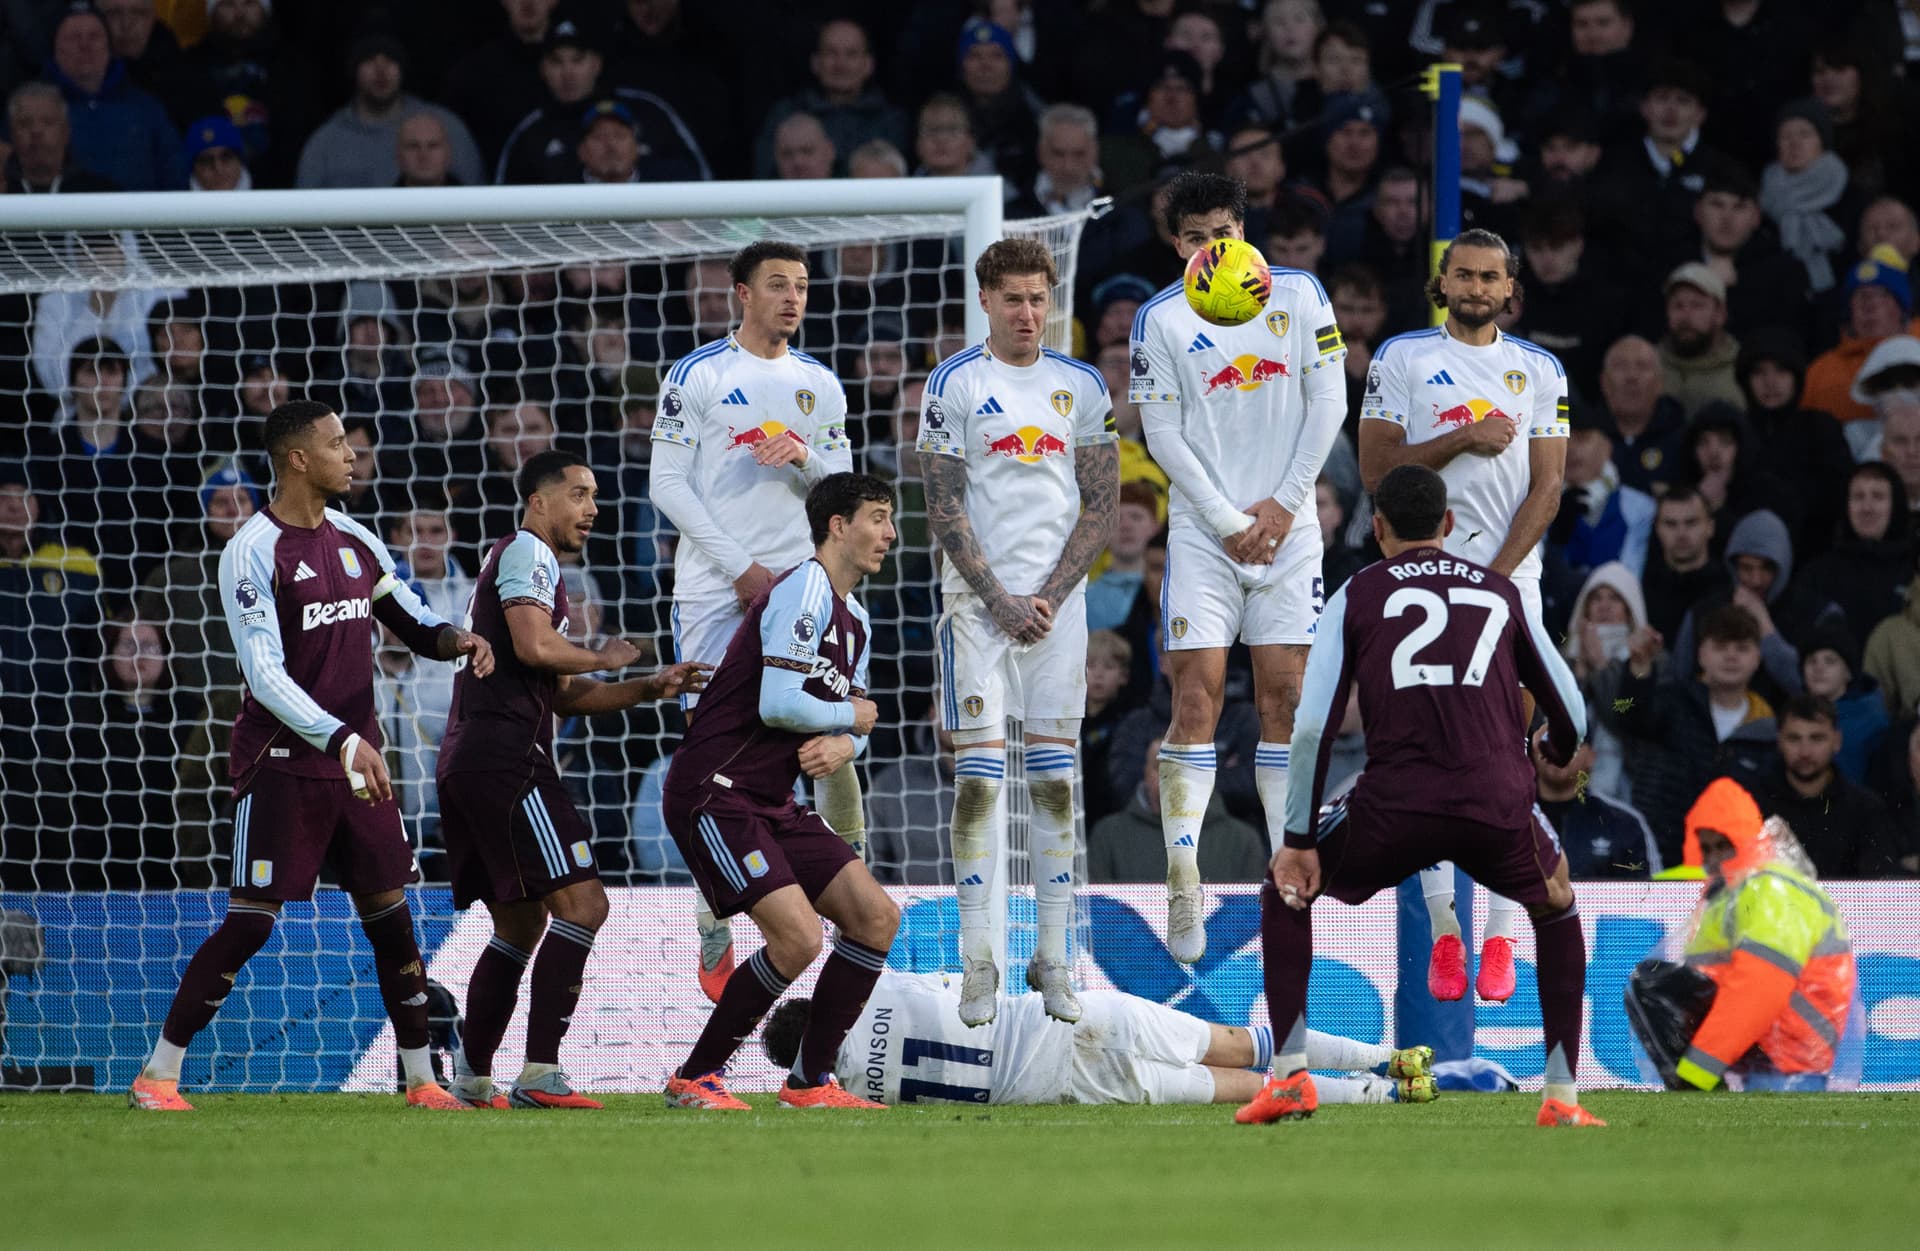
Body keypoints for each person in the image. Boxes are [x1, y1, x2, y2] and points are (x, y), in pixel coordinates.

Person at [128, 401, 495, 1112]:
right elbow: (265, 675)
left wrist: (460, 639)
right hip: (284, 764)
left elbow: (411, 620)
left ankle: (422, 1079)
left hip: (356, 767)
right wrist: (344, 737)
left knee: (392, 919)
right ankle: (159, 1071)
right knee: (250, 921)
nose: (350, 454)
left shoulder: (356, 540)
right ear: (297, 458)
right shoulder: (251, 550)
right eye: (335, 444)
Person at [1245, 463, 1601, 1128]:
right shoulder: (1499, 592)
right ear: (1448, 525)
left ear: (1378, 528)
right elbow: (1572, 712)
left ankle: (1291, 1077)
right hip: (1496, 804)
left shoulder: (1357, 593)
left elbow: (1315, 725)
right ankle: (1561, 1097)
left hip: (1396, 805)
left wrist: (1297, 841)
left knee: (1284, 888)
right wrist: (1552, 748)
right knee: (1556, 901)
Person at [438, 450, 706, 1110]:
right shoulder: (529, 552)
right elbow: (535, 648)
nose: (592, 508)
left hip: (472, 758)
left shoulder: (522, 564)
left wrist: (643, 684)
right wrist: (606, 651)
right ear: (540, 501)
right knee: (585, 906)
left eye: (595, 496)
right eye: (580, 494)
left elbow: (561, 690)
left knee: (520, 923)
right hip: (508, 758)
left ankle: (472, 1076)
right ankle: (540, 1072)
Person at [1127, 171, 1348, 964]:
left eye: (1222, 231)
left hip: (1287, 530)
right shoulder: (1158, 317)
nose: (1210, 248)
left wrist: (1285, 507)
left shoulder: (1299, 296)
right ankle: (1182, 872)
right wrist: (1227, 522)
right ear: (1174, 243)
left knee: (1285, 700)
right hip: (1202, 536)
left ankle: (1286, 859)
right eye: (1193, 237)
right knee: (1197, 698)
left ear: (1243, 228)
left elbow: (1330, 403)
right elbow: (1163, 434)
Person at [1357, 227, 1570, 1005]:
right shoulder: (1401, 360)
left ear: (1511, 287)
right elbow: (1378, 472)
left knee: (1508, 750)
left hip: (1511, 582)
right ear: (1441, 282)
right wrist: (1463, 436)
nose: (1477, 288)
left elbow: (1547, 488)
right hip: (1419, 581)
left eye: (1491, 277)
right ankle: (1447, 928)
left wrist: (1498, 582)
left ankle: (1503, 936)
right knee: (1424, 748)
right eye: (1464, 275)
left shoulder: (1540, 369)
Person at [648, 241, 858, 1002]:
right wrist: (739, 566)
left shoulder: (819, 385)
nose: (792, 298)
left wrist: (805, 457)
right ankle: (713, 908)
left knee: (814, 735)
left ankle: (835, 875)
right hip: (714, 583)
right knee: (713, 745)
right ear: (741, 292)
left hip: (801, 586)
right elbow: (665, 483)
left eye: (801, 286)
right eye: (777, 285)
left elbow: (846, 493)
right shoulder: (699, 373)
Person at [919, 238, 1117, 1025]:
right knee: (978, 782)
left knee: (1055, 783)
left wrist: (1050, 594)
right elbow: (942, 504)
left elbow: (1101, 502)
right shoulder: (955, 383)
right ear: (987, 302)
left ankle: (1056, 959)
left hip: (1057, 612)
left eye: (1038, 299)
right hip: (976, 608)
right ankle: (978, 962)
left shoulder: (1081, 385)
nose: (1028, 313)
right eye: (1013, 300)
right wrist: (1001, 597)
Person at [660, 473, 901, 1113]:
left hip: (770, 799)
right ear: (838, 525)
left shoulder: (858, 621)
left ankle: (808, 1082)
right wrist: (851, 721)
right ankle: (695, 1077)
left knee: (876, 918)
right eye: (877, 517)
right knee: (797, 939)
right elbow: (784, 702)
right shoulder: (801, 588)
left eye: (891, 518)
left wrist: (850, 741)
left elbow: (851, 720)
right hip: (716, 789)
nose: (890, 532)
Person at [762, 967, 1437, 1108]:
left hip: (1058, 1086)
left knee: (1228, 1086)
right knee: (1235, 1040)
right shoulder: (874, 987)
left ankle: (1385, 1098)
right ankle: (1388, 1057)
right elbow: (957, 984)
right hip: (1065, 1021)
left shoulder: (848, 1095)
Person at [1626, 779, 1853, 1092]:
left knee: (1653, 986)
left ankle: (1691, 1085)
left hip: (1788, 1058)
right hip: (1771, 1054)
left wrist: (1698, 1071)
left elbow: (1760, 986)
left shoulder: (1770, 892)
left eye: (1724, 844)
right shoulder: (1736, 892)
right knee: (1654, 984)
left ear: (1747, 841)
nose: (1715, 857)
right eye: (1706, 848)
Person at [1609, 604, 1779, 862]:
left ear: (1758, 657)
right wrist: (1640, 667)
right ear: (1701, 655)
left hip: (1735, 866)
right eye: (1721, 647)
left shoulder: (1768, 728)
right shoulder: (1672, 701)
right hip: (1664, 854)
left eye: (1742, 648)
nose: (1731, 656)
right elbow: (1629, 719)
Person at [294, 31, 483, 190]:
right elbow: (302, 220)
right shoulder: (325, 144)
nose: (381, 69)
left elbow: (480, 207)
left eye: (390, 60)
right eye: (369, 59)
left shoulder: (444, 127)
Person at [1741, 696, 1903, 878]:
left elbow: (1878, 884)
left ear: (1837, 741)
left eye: (1817, 738)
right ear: (1779, 741)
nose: (1805, 751)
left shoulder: (1865, 808)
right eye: (1794, 738)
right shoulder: (1750, 804)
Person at [1090, 736, 1266, 885]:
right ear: (1145, 774)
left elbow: (1251, 915)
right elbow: (1096, 914)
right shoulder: (1108, 836)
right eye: (1161, 767)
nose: (1172, 777)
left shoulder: (1243, 841)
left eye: (1184, 769)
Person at [1533, 731, 1660, 880]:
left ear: (1591, 756)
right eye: (1548, 742)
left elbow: (1650, 895)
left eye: (1570, 744)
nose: (1557, 751)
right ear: (1534, 751)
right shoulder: (1509, 817)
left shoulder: (1625, 823)